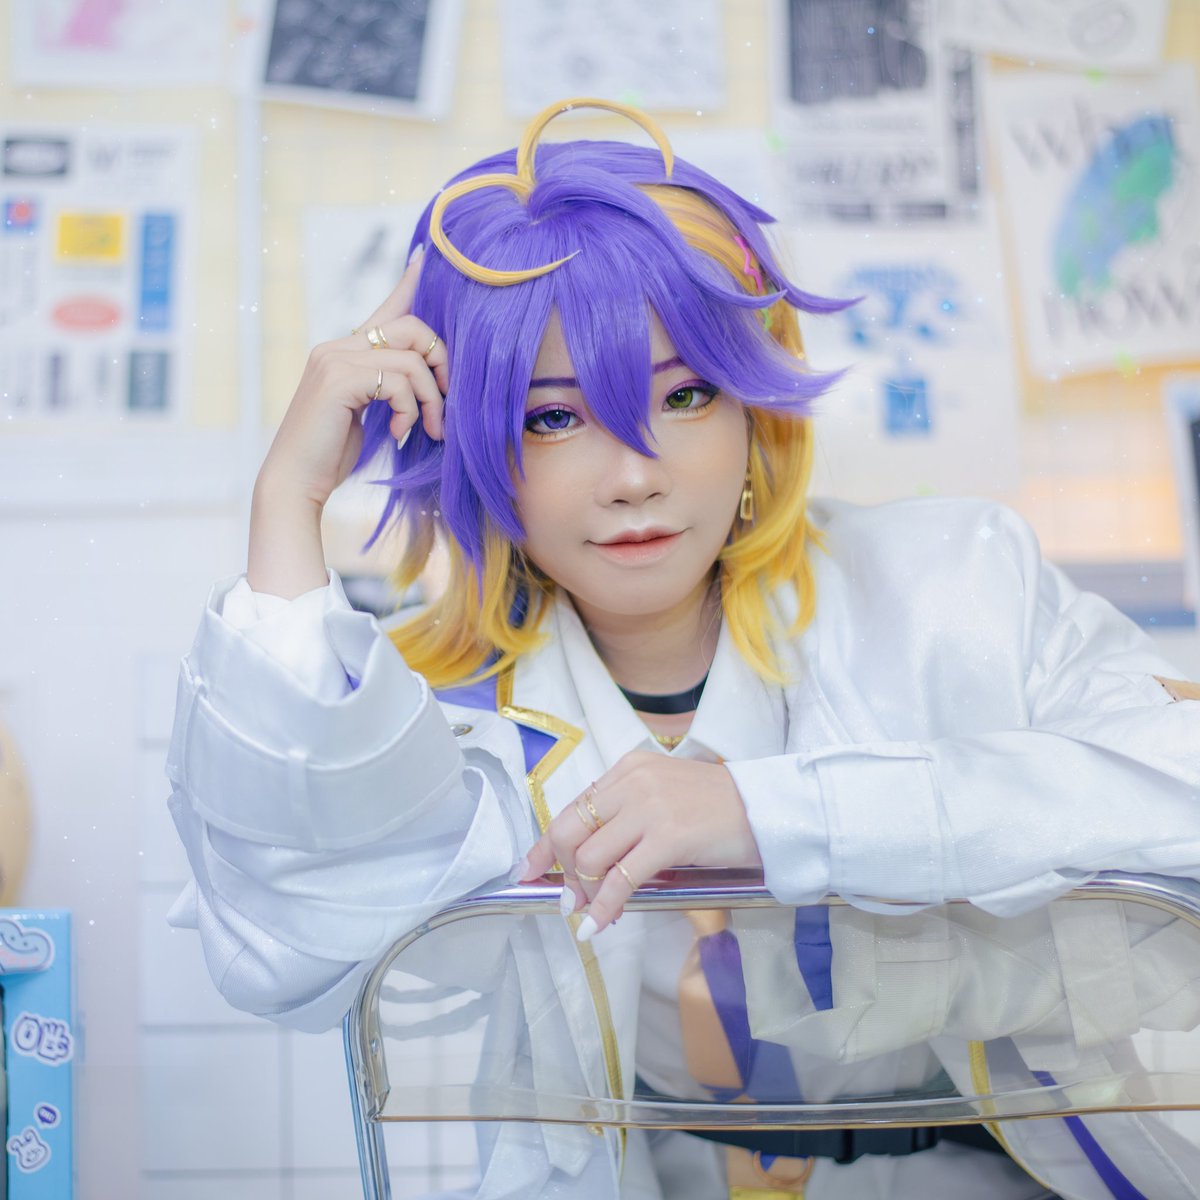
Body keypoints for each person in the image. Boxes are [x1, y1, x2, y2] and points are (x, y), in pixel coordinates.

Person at [166, 98, 1200, 1200]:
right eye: (553, 417)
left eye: (686, 395)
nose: (633, 475)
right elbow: (284, 935)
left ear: (755, 411)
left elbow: (1176, 789)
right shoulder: (444, 710)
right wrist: (291, 497)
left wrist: (777, 814)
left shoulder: (955, 586)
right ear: (476, 447)